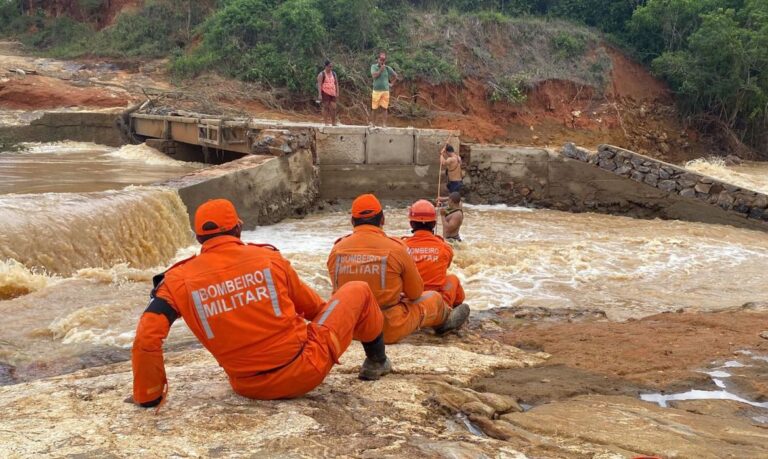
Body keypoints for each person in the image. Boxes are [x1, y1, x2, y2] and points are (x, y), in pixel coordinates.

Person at [131, 199, 390, 407]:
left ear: (199, 239)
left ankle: (148, 394)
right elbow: (314, 309)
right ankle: (377, 361)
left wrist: (148, 395)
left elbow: (146, 337)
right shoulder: (268, 259)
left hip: (247, 386)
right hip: (304, 370)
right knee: (358, 289)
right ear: (238, 229)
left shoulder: (176, 280)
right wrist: (340, 324)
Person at [327, 194, 469, 344]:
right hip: (386, 328)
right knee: (434, 298)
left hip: (349, 326)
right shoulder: (397, 248)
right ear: (382, 220)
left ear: (352, 221)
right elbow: (415, 293)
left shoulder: (336, 249)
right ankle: (444, 321)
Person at [402, 199, 468, 310]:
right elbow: (444, 267)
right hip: (435, 303)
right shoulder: (445, 247)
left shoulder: (401, 247)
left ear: (411, 223)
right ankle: (450, 311)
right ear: (433, 224)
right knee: (452, 279)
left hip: (408, 302)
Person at [370, 52, 398, 127]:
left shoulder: (388, 68)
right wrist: (380, 70)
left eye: (383, 59)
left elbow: (396, 75)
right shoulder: (373, 67)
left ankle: (384, 124)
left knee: (384, 108)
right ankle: (373, 123)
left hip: (385, 91)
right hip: (376, 91)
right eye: (381, 59)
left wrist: (391, 84)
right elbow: (374, 76)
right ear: (378, 59)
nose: (382, 61)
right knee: (374, 108)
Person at [317, 60, 339, 126]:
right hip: (325, 92)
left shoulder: (334, 74)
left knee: (334, 107)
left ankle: (333, 122)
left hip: (332, 92)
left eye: (331, 67)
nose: (331, 68)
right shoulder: (321, 74)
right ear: (326, 66)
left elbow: (336, 83)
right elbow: (319, 84)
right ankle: (326, 122)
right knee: (325, 107)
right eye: (329, 66)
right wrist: (320, 94)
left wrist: (337, 92)